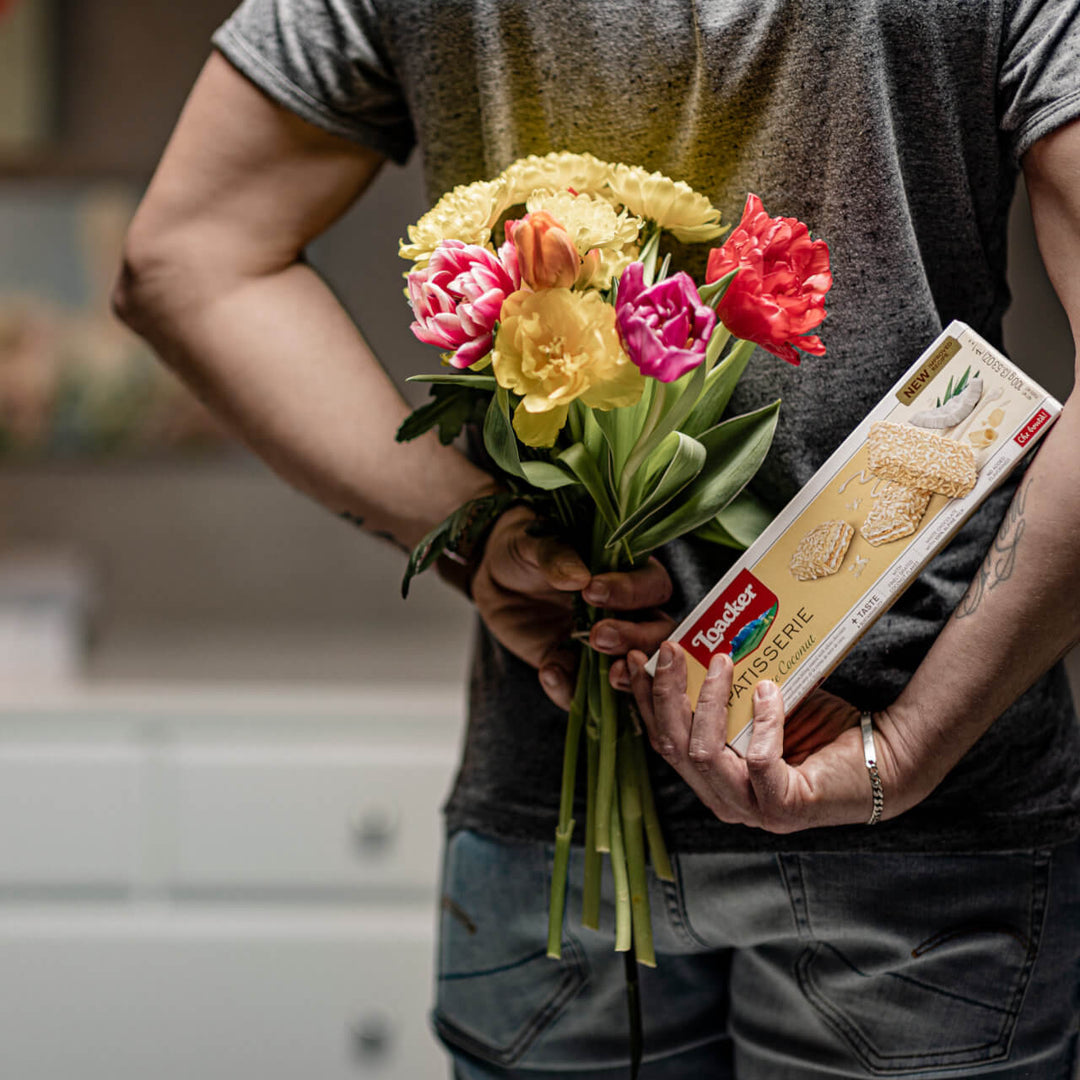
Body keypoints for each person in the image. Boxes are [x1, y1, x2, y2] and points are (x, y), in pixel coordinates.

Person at [112, 1, 1080, 1075]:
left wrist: (475, 535)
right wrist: (910, 747)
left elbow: (181, 257)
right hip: (920, 835)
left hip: (562, 814)